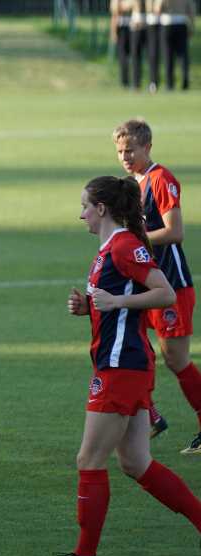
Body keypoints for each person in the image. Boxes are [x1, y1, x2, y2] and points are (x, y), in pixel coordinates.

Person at [33, 176, 201, 556]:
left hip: (121, 368)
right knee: (137, 463)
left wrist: (116, 301)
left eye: (85, 206)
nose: (81, 214)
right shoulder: (109, 248)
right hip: (125, 364)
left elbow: (164, 293)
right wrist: (89, 308)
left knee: (89, 459)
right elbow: (116, 304)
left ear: (103, 209)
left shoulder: (125, 245)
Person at [113, 120, 201, 451]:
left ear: (148, 147)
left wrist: (134, 240)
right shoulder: (130, 183)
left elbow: (174, 232)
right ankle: (149, 416)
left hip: (171, 285)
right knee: (135, 347)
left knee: (176, 358)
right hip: (142, 284)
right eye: (120, 151)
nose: (124, 156)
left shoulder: (161, 179)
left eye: (130, 150)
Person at [158, 0, 194, 90]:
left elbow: (157, 9)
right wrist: (191, 25)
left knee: (168, 56)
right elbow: (191, 9)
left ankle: (170, 84)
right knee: (183, 55)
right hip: (181, 23)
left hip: (167, 23)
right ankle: (185, 80)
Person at [112, 0, 135, 87]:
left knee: (133, 55)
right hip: (121, 27)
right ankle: (124, 81)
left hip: (132, 26)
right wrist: (113, 31)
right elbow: (115, 10)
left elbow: (132, 5)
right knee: (122, 56)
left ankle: (134, 81)